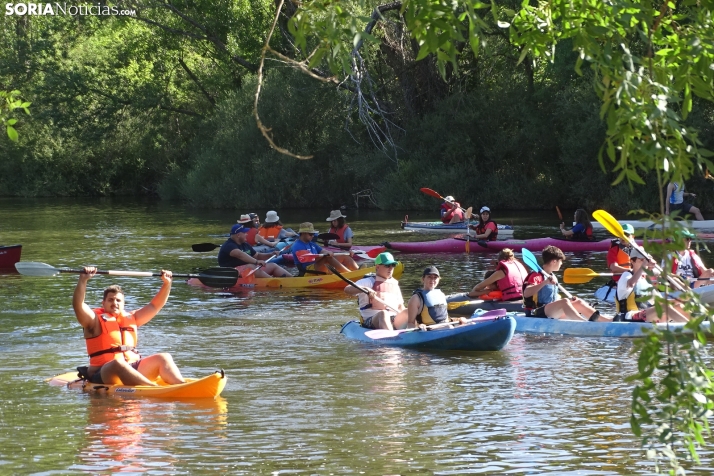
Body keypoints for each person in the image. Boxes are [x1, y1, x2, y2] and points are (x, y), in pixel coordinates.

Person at [72, 267, 185, 386]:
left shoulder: (132, 318)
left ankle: (181, 385)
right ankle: (152, 388)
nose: (115, 303)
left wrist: (167, 283)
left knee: (164, 357)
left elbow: (155, 306)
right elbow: (78, 305)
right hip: (103, 372)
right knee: (118, 363)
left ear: (123, 304)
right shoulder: (93, 321)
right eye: (110, 300)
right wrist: (83, 280)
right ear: (103, 303)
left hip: (132, 367)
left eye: (118, 300)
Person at [522, 245, 603, 321]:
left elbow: (552, 298)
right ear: (554, 261)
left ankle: (605, 321)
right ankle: (583, 322)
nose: (561, 264)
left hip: (550, 311)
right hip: (536, 312)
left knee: (578, 302)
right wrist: (545, 282)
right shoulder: (536, 275)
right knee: (564, 302)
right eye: (560, 261)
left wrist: (571, 300)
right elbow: (526, 293)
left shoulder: (553, 276)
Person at [615, 247, 689, 322]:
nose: (645, 262)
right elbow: (631, 283)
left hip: (645, 316)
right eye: (641, 260)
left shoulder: (645, 282)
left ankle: (696, 326)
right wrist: (644, 265)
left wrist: (680, 300)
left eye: (646, 260)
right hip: (628, 316)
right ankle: (690, 327)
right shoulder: (626, 275)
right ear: (632, 261)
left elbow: (661, 302)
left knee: (679, 306)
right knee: (665, 307)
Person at [344, 252, 408, 330]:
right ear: (377, 267)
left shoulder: (394, 284)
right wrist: (365, 289)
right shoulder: (368, 281)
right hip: (371, 320)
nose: (391, 268)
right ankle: (391, 337)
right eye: (387, 265)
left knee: (409, 311)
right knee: (383, 314)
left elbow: (401, 307)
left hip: (393, 319)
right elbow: (347, 289)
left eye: (393, 265)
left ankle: (417, 331)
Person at [217, 223, 291, 277]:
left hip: (247, 271)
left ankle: (292, 279)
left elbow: (257, 255)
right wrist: (256, 262)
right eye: (245, 233)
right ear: (238, 235)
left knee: (273, 265)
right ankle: (272, 281)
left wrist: (270, 254)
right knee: (251, 266)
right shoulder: (229, 245)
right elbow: (239, 254)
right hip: (231, 273)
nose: (247, 234)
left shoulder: (245, 244)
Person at [407, 266, 467, 330]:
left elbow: (445, 319)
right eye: (429, 277)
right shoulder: (416, 298)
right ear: (423, 279)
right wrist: (418, 327)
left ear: (438, 280)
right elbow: (410, 323)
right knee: (449, 327)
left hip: (446, 326)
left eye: (435, 278)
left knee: (467, 323)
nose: (432, 280)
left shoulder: (441, 294)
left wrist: (458, 319)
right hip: (428, 330)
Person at [291, 222, 358, 275]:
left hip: (316, 266)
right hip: (307, 271)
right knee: (327, 257)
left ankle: (357, 271)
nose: (313, 236)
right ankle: (348, 274)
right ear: (303, 233)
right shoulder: (297, 246)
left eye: (313, 234)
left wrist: (344, 252)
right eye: (310, 234)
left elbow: (323, 251)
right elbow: (309, 261)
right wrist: (325, 255)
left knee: (343, 255)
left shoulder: (311, 243)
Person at [597, 223, 635, 301]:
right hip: (619, 281)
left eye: (626, 235)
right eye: (621, 235)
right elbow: (614, 268)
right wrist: (631, 271)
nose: (623, 238)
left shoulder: (639, 250)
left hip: (636, 280)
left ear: (633, 237)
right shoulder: (614, 250)